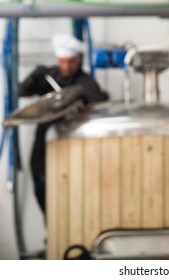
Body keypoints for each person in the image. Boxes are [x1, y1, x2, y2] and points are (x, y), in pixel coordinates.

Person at [18, 33, 108, 216]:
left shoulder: (87, 83)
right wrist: (33, 78)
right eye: (62, 61)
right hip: (44, 147)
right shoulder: (48, 76)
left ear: (79, 59)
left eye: (71, 62)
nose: (66, 66)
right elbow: (21, 91)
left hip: (73, 148)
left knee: (72, 200)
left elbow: (99, 109)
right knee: (43, 189)